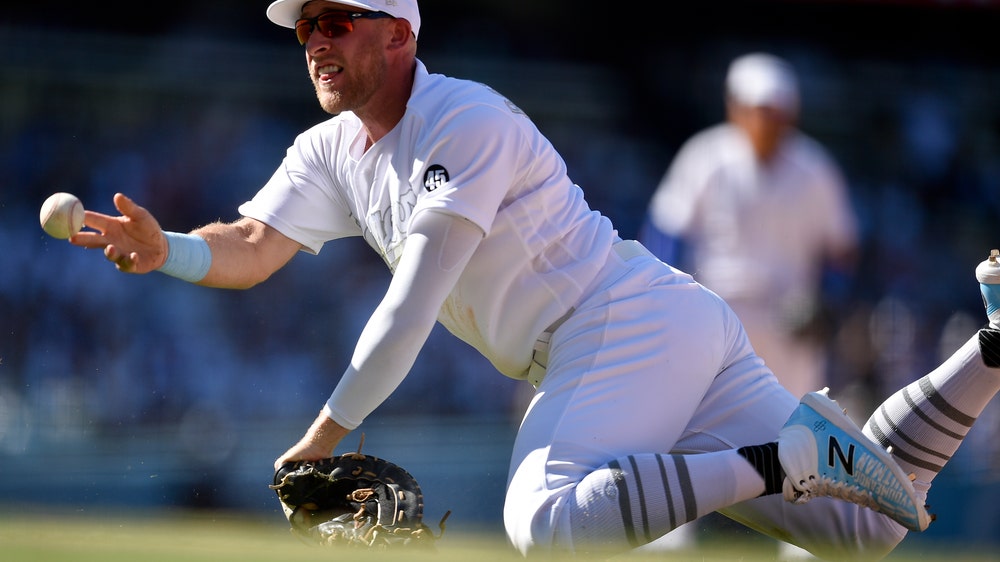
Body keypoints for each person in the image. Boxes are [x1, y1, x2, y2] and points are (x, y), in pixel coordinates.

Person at [69, 1, 1000, 559]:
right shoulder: (328, 149)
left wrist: (322, 438)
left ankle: (784, 461)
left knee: (543, 526)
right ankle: (993, 345)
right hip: (654, 324)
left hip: (615, 323)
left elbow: (411, 304)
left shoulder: (462, 117)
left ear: (398, 33)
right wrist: (168, 249)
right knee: (869, 532)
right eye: (305, 26)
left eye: (335, 20)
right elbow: (252, 242)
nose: (314, 38)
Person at [642, 53, 859, 399]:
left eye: (777, 113)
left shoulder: (814, 167)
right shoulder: (705, 156)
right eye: (760, 111)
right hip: (717, 307)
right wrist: (668, 297)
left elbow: (841, 247)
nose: (768, 122)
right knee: (707, 411)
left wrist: (827, 300)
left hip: (791, 316)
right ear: (736, 109)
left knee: (791, 416)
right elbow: (667, 230)